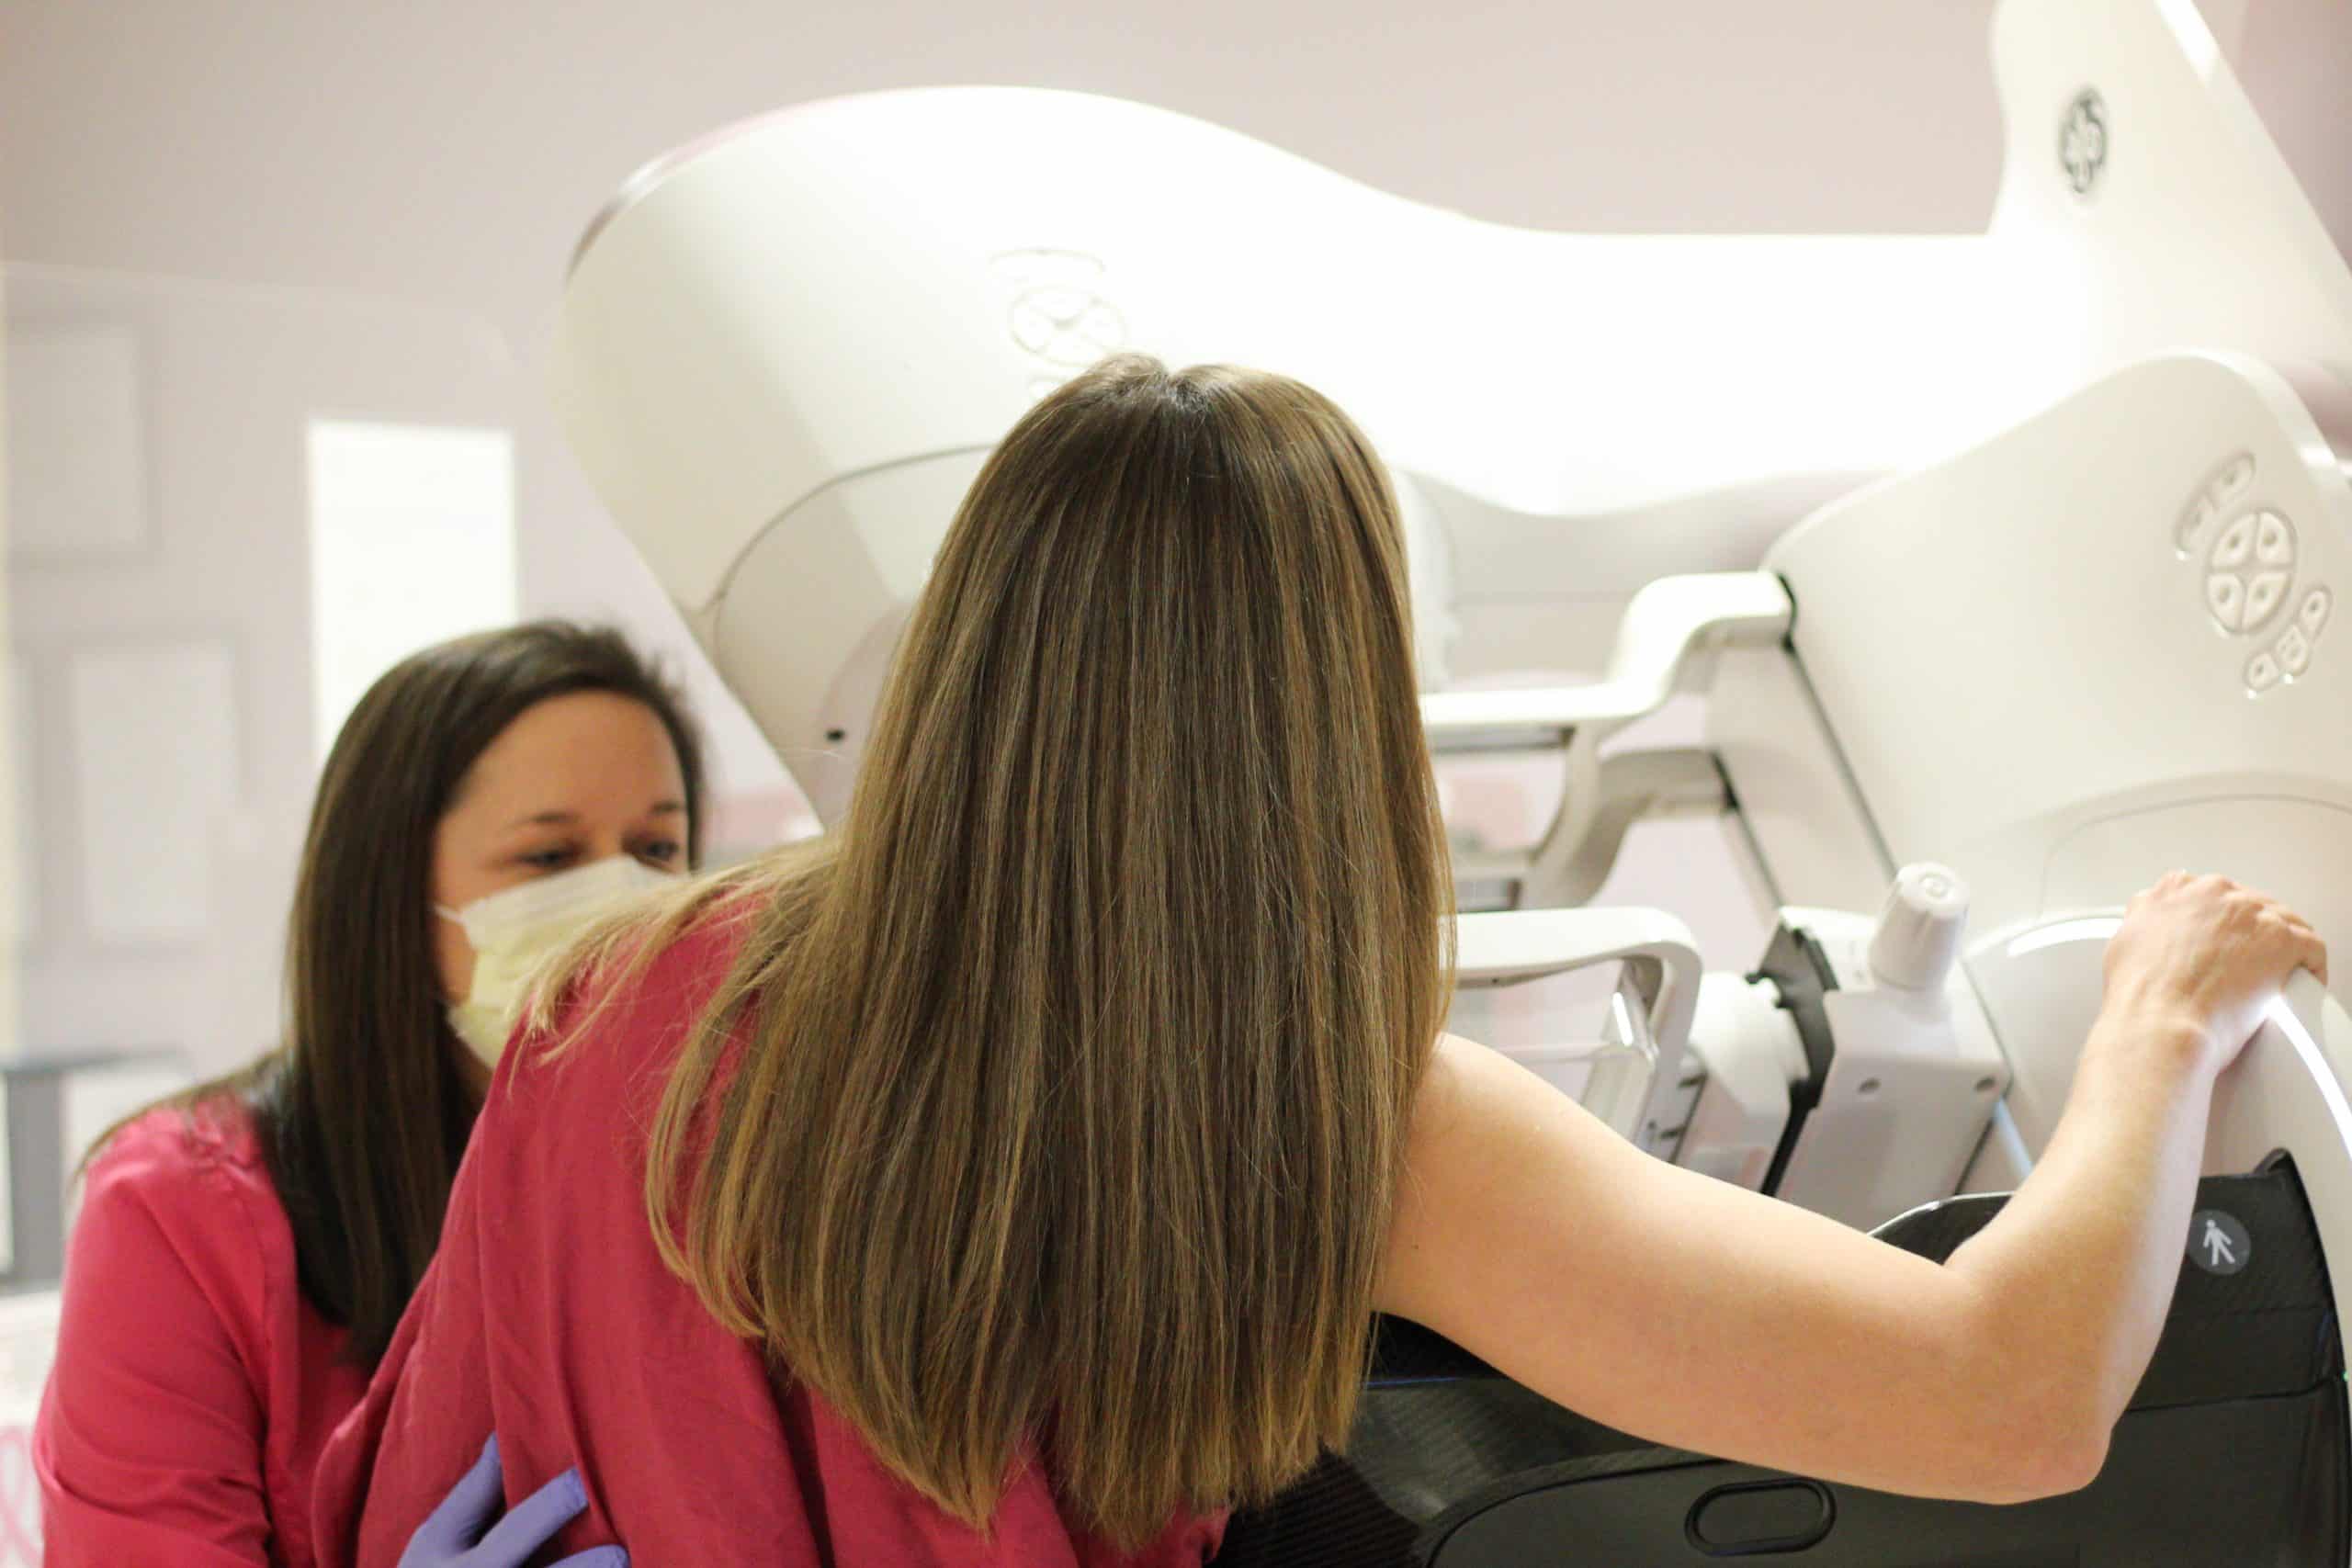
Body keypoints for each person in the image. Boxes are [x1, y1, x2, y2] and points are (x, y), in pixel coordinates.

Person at [311, 358, 2327, 1565]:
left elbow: (411, 1482)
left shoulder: (617, 999)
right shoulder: (1336, 1125)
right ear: (1342, 719)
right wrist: (2148, 1032)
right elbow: (2008, 1400)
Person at [38, 621, 708, 1568]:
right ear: (391, 894)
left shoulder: (711, 1187)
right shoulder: (175, 1214)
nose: (622, 905)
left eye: (656, 849)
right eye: (550, 859)